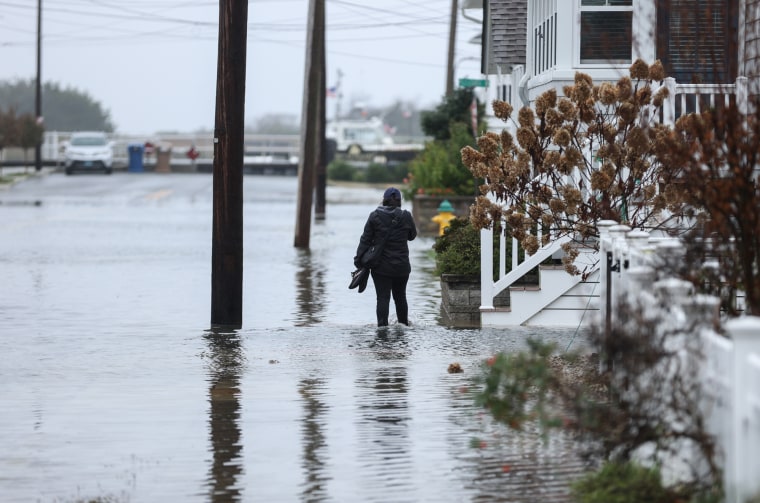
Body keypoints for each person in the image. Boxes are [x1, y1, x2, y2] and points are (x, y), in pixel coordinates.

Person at [354, 187, 417, 326]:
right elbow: (412, 236)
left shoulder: (375, 216)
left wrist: (358, 260)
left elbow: (365, 240)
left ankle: (382, 329)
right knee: (400, 297)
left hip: (381, 267)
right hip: (402, 266)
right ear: (399, 201)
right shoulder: (406, 216)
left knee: (382, 298)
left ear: (384, 200)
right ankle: (403, 326)